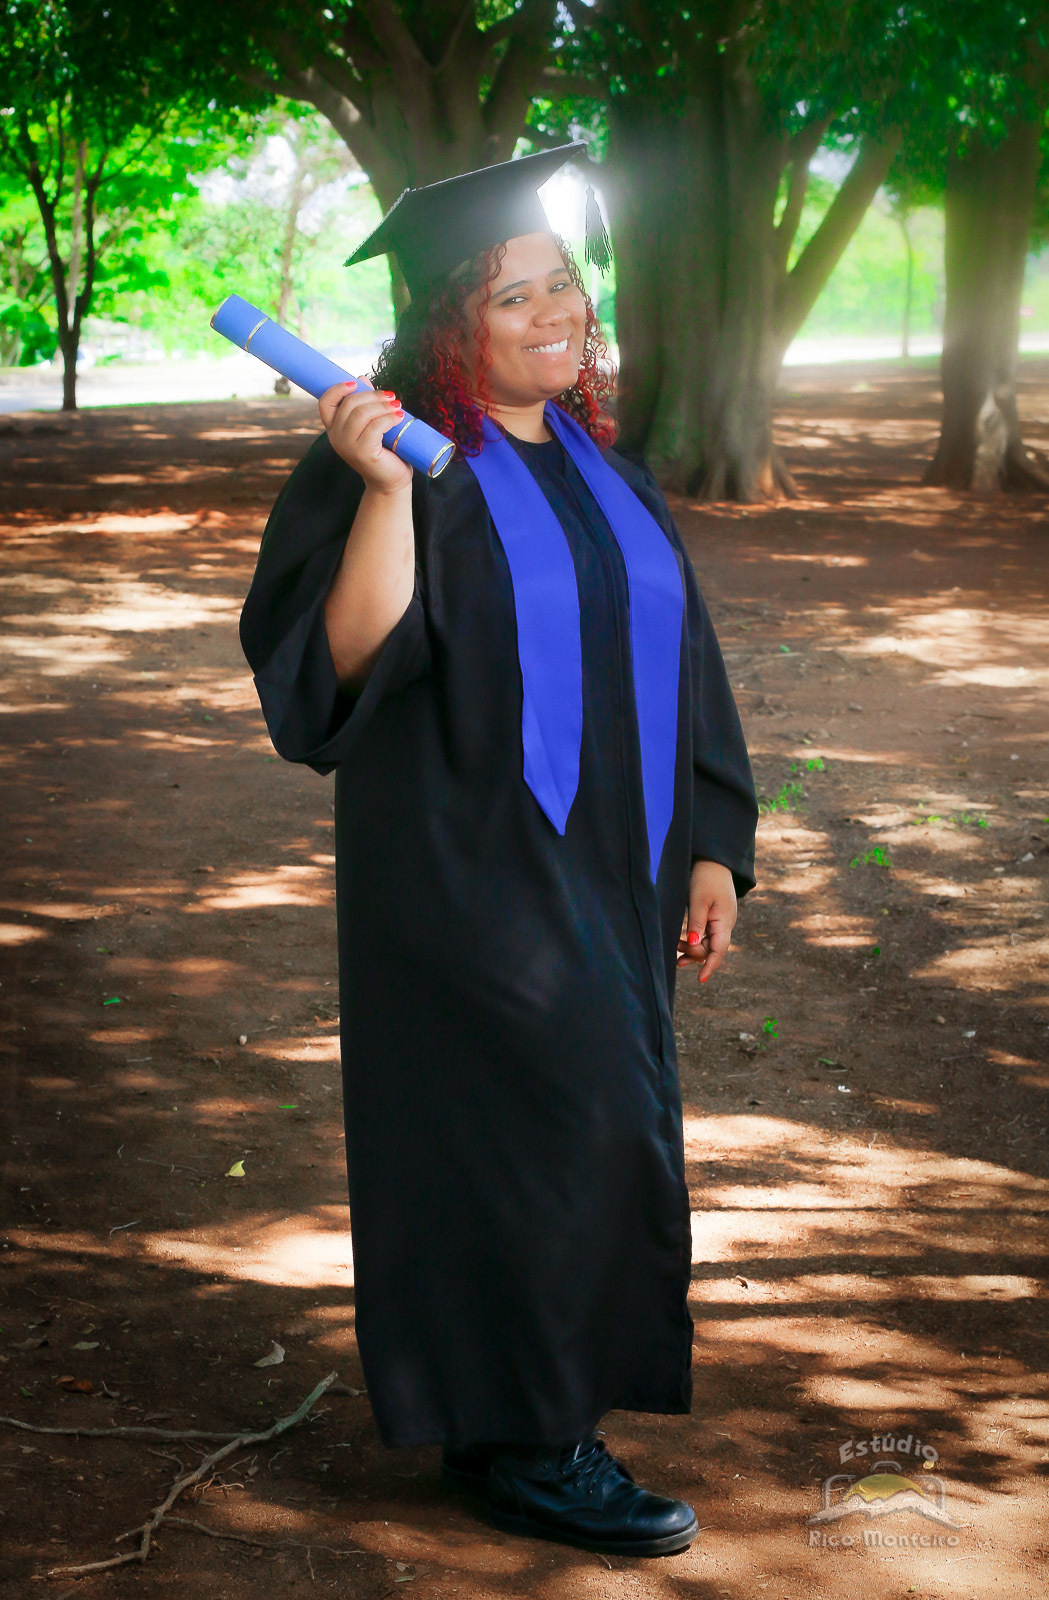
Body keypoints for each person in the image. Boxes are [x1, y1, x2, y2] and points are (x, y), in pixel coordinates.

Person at [239, 142, 758, 1559]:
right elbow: (337, 675)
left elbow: (684, 665)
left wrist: (713, 844)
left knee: (580, 1131)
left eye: (562, 283)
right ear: (444, 325)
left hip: (616, 870)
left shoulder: (607, 469)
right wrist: (385, 495)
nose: (554, 313)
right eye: (510, 294)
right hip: (465, 871)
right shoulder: (397, 465)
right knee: (533, 1138)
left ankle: (506, 1419)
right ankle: (536, 1446)